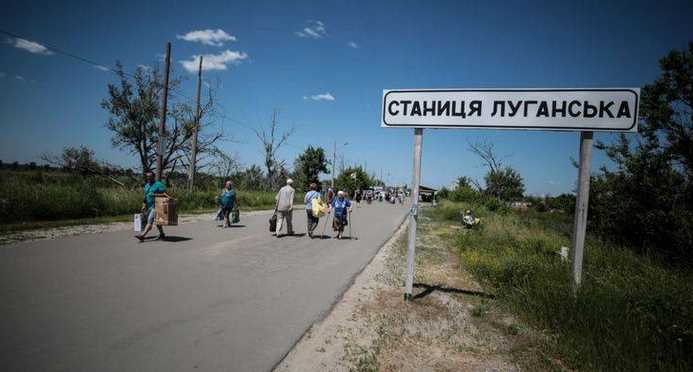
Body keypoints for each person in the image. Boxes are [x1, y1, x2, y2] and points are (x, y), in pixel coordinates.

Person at [135, 172, 167, 241]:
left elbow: (165, 195)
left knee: (150, 220)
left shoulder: (158, 184)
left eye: (150, 176)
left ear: (154, 177)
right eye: (147, 176)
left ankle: (142, 235)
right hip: (149, 206)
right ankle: (162, 234)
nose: (148, 178)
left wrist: (155, 195)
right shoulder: (146, 185)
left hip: (157, 205)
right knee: (158, 222)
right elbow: (145, 197)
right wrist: (143, 205)